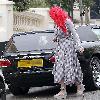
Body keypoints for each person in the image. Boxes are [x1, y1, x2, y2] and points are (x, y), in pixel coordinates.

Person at [49, 6, 85, 98]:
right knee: (60, 68)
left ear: (57, 15)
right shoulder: (56, 24)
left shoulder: (67, 21)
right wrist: (55, 38)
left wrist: (79, 46)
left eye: (54, 16)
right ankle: (63, 90)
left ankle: (79, 86)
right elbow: (57, 35)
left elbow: (75, 34)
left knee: (71, 67)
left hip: (69, 47)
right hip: (60, 48)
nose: (53, 18)